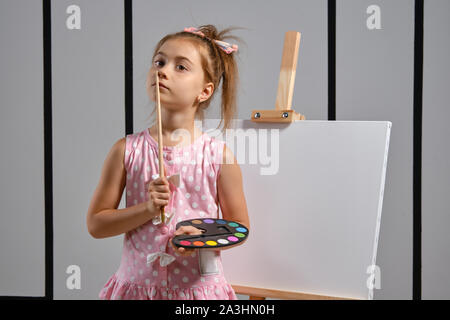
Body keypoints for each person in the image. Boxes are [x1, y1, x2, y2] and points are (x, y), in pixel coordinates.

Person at [86, 25, 250, 300]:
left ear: (205, 91)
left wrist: (198, 237)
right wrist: (148, 209)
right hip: (136, 290)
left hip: (197, 293)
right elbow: (96, 224)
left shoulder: (218, 156)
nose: (162, 71)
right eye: (159, 62)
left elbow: (239, 227)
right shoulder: (125, 150)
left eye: (181, 67)